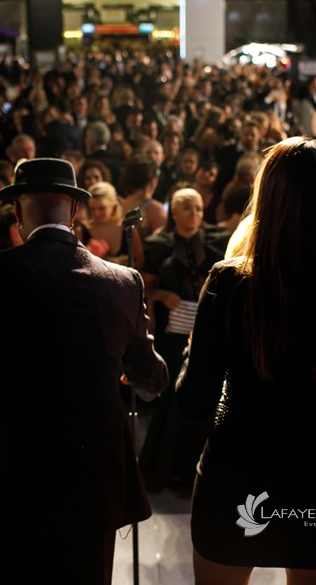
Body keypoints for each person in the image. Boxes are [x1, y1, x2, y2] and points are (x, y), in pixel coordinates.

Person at [0, 158, 168, 584]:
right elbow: (152, 380)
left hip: (14, 475)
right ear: (76, 211)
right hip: (93, 474)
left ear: (17, 212)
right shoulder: (122, 281)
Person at [176, 138, 316, 584]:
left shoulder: (229, 283)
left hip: (238, 475)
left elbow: (194, 404)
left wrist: (196, 345)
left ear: (267, 201)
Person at [140, 187, 231, 490]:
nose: (194, 215)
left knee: (202, 394)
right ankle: (163, 470)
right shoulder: (158, 245)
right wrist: (162, 295)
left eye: (199, 209)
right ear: (174, 211)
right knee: (171, 399)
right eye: (187, 208)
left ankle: (190, 474)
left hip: (206, 331)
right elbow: (145, 288)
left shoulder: (217, 241)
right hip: (172, 332)